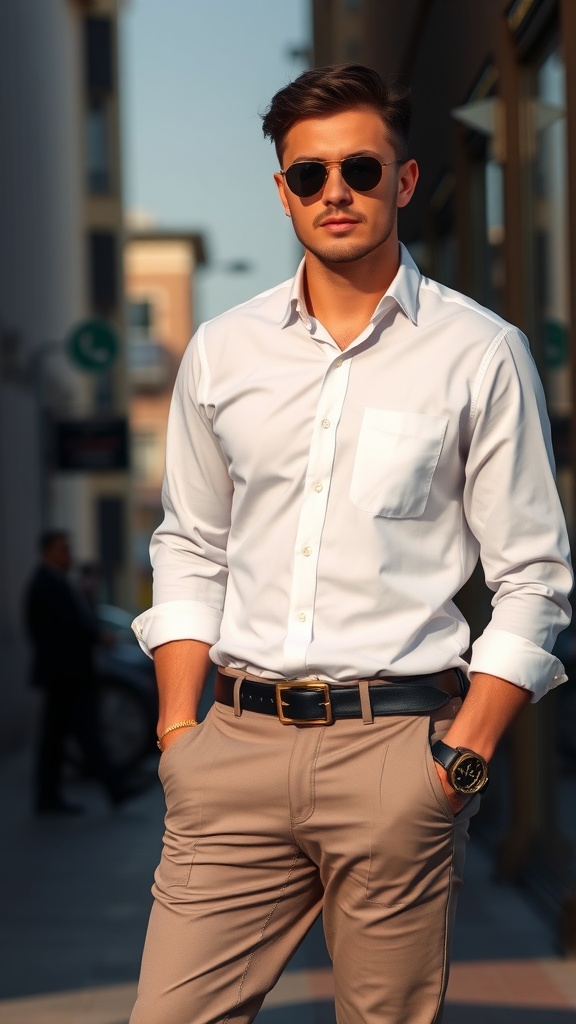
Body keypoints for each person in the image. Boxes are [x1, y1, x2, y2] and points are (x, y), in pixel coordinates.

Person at [129, 64, 572, 1024]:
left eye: (362, 170)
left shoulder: (478, 351)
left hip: (397, 756)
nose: (337, 193)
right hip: (232, 753)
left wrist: (460, 762)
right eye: (310, 175)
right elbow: (191, 545)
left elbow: (533, 578)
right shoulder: (223, 351)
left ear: (404, 182)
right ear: (283, 191)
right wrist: (178, 735)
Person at [25, 531, 152, 814]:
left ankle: (51, 798)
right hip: (65, 675)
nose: (68, 556)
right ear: (47, 552)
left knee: (57, 739)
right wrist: (98, 636)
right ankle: (113, 787)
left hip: (67, 675)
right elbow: (69, 626)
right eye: (62, 550)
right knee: (83, 734)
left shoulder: (57, 582)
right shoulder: (46, 583)